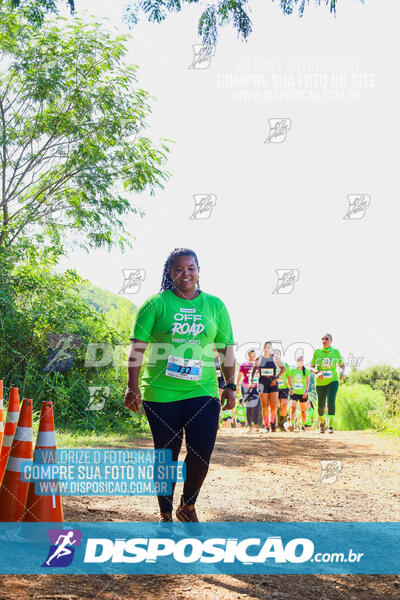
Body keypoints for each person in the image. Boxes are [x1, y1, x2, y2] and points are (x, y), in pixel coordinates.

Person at [124, 248, 236, 523]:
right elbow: (138, 347)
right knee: (167, 453)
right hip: (161, 391)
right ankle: (165, 513)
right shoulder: (155, 305)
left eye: (191, 267)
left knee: (201, 451)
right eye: (178, 268)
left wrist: (231, 385)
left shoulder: (215, 306)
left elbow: (225, 349)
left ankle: (187, 506)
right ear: (169, 273)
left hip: (203, 389)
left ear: (198, 271)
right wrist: (132, 386)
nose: (185, 273)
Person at [311, 333, 344, 434]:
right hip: (320, 382)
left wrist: (342, 372)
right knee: (320, 405)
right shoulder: (317, 352)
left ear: (331, 341)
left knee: (331, 401)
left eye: (326, 339)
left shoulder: (336, 352)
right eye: (322, 339)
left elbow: (342, 365)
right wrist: (317, 372)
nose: (324, 340)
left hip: (333, 380)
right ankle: (322, 423)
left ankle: (330, 426)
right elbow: (311, 366)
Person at [251, 342, 285, 432]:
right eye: (265, 347)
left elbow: (283, 368)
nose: (267, 348)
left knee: (274, 406)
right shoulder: (259, 358)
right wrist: (251, 379)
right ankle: (266, 426)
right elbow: (254, 369)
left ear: (271, 348)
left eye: (269, 347)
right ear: (263, 348)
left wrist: (277, 378)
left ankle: (272, 422)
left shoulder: (275, 358)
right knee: (265, 406)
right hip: (262, 382)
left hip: (273, 382)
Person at [236, 349, 260, 432]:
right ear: (248, 356)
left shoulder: (258, 366)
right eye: (250, 355)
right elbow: (239, 376)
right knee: (248, 406)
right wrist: (237, 385)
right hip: (245, 387)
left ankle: (256, 425)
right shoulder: (243, 365)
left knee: (257, 405)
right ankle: (250, 426)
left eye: (253, 355)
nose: (252, 357)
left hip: (256, 387)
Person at [289, 357, 310, 431]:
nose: (299, 362)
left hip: (303, 393)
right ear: (296, 361)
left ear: (303, 362)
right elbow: (290, 380)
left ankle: (303, 425)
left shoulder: (306, 371)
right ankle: (291, 424)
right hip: (294, 392)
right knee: (293, 408)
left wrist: (306, 391)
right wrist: (291, 388)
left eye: (301, 361)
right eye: (298, 361)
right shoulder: (292, 370)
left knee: (303, 411)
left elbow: (307, 382)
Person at [273, 348, 292, 432]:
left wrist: (291, 387)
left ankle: (280, 423)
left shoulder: (285, 365)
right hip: (273, 387)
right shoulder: (271, 364)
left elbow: (289, 376)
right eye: (274, 353)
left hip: (284, 388)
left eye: (278, 353)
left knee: (284, 405)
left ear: (280, 356)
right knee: (274, 406)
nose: (276, 355)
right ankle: (273, 424)